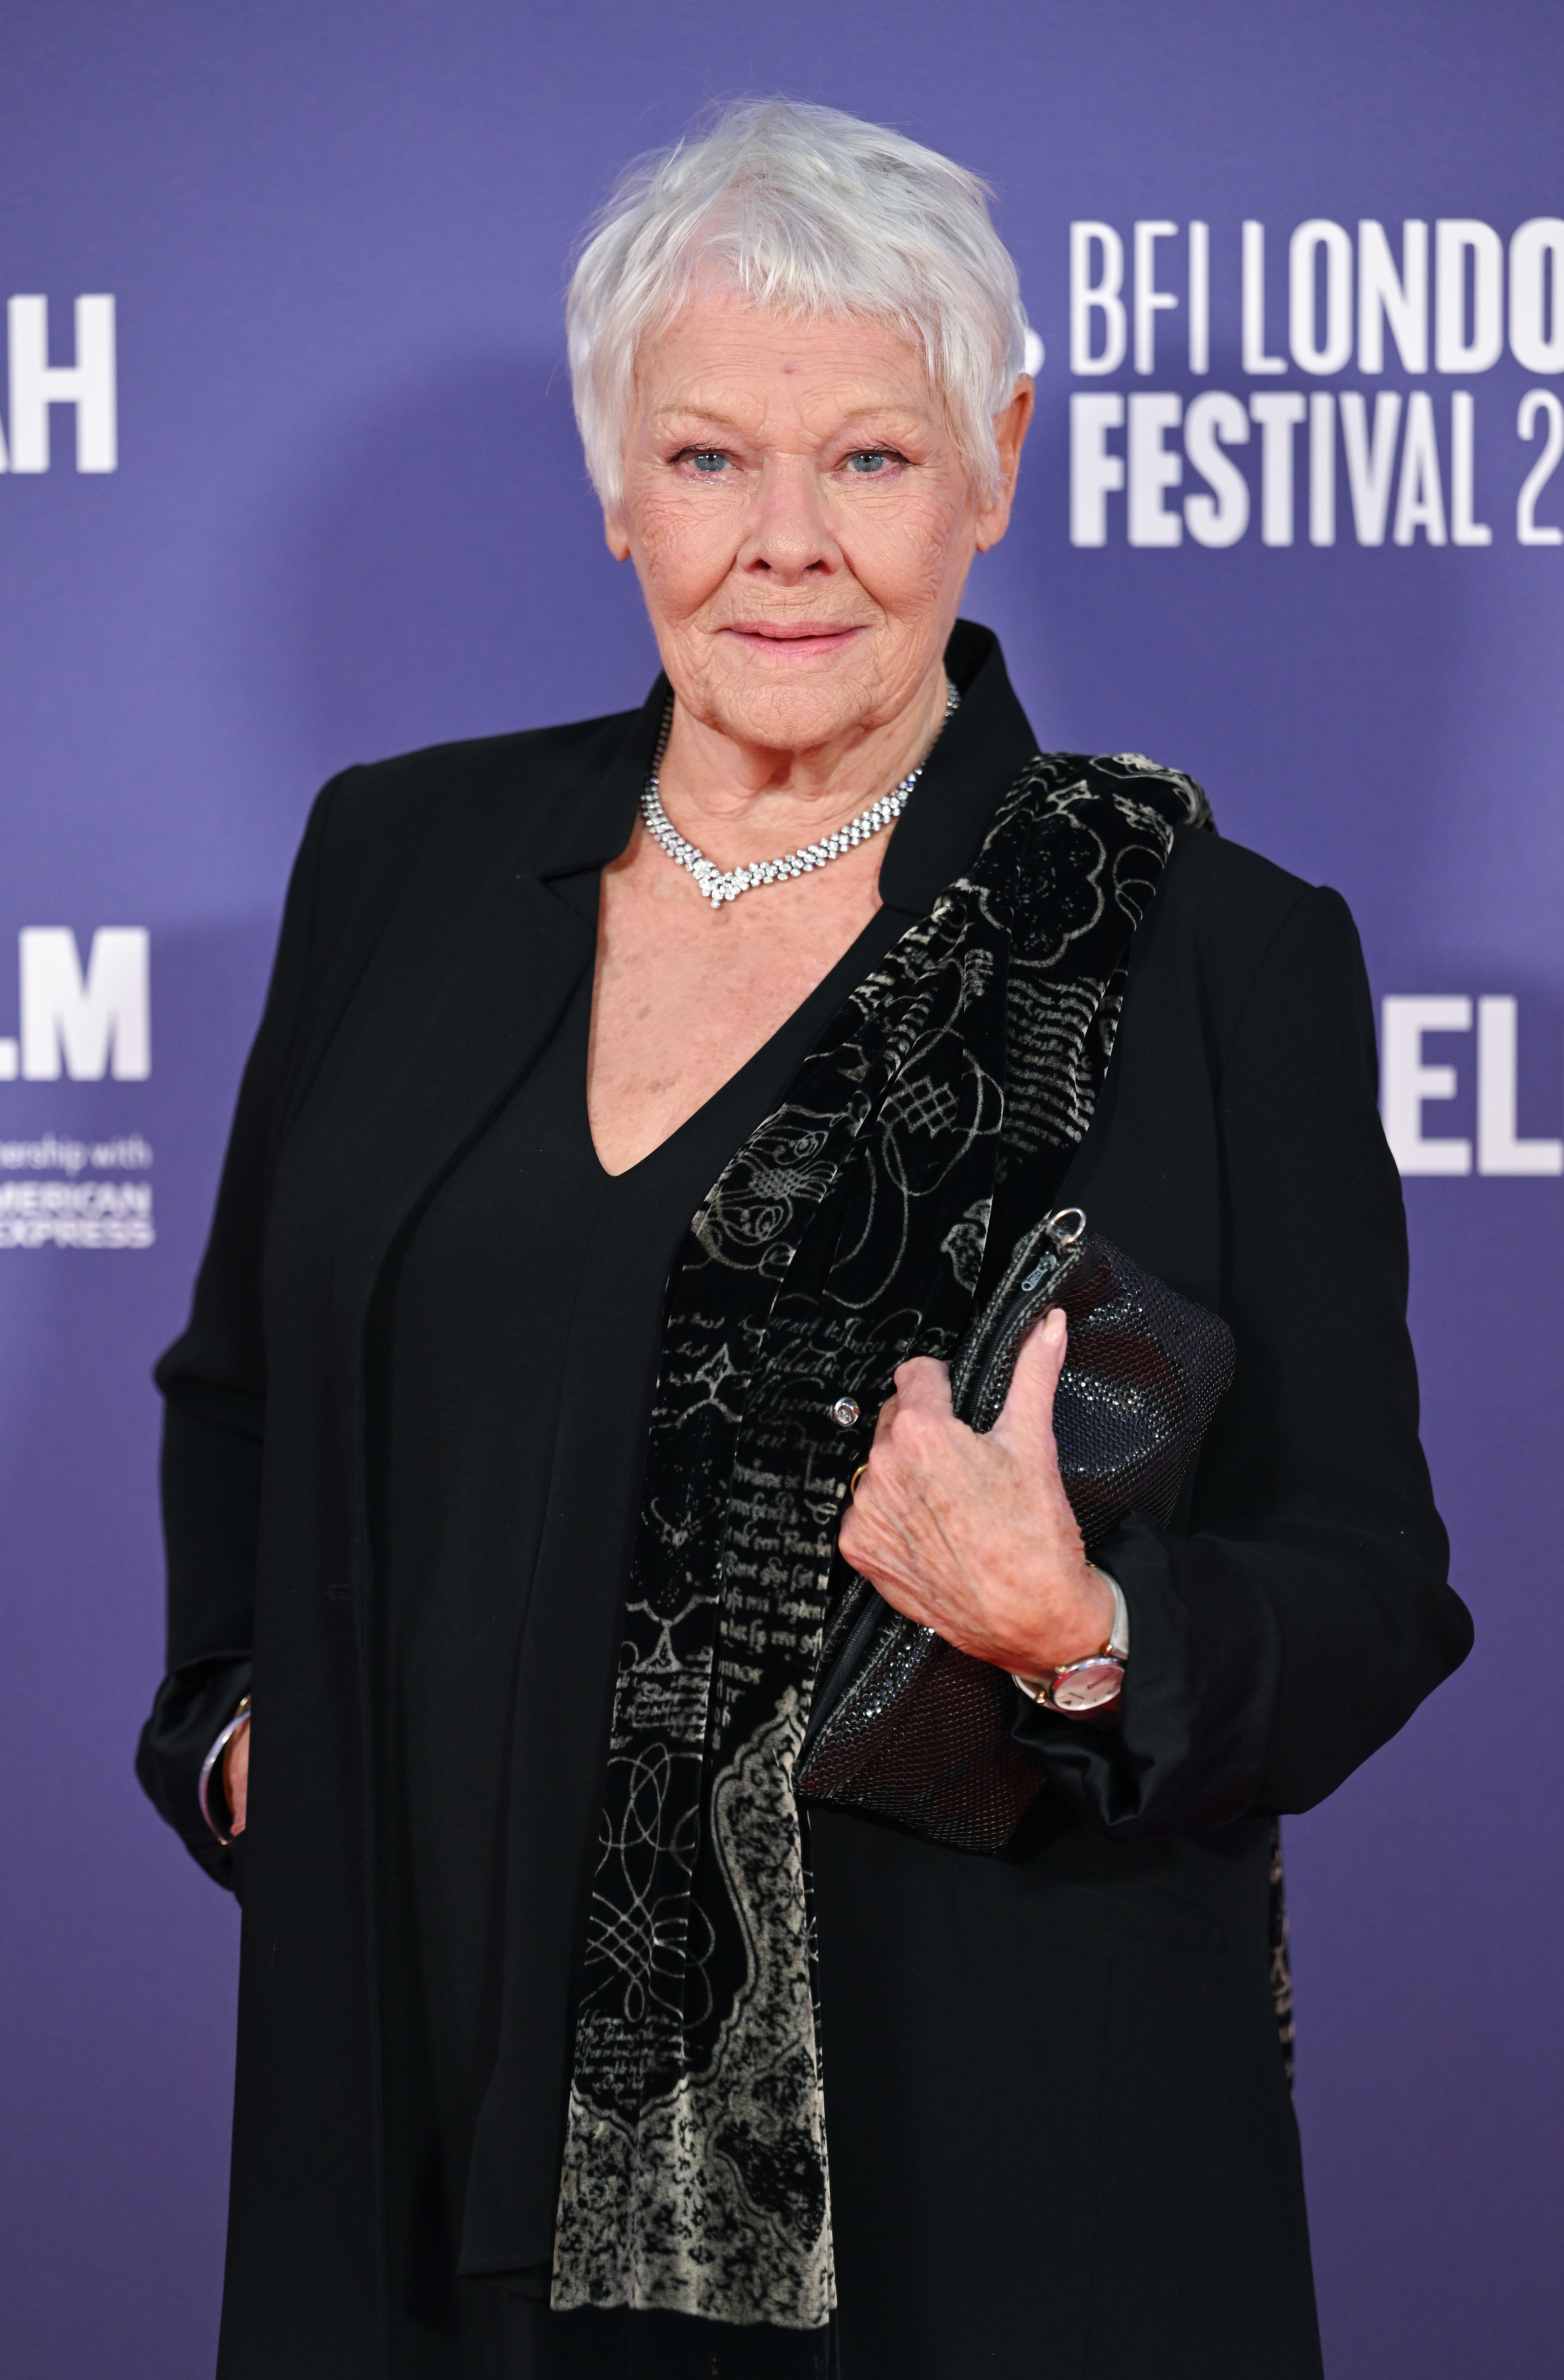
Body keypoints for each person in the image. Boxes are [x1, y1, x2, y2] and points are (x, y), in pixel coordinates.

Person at [136, 99, 1471, 2380]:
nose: (784, 547)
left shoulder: (1201, 951)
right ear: (613, 480)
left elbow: (1364, 1584)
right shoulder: (401, 863)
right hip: (417, 2124)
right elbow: (242, 1392)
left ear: (996, 461)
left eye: (866, 457)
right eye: (704, 459)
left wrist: (1078, 1629)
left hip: (974, 2197)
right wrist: (251, 1738)